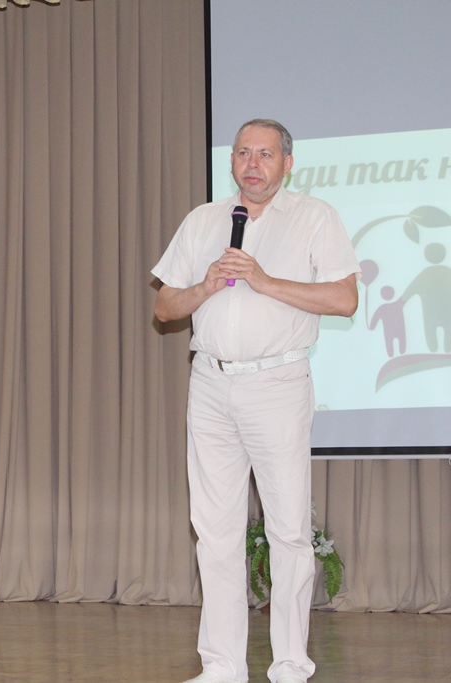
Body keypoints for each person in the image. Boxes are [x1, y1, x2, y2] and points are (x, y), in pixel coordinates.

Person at [151, 120, 360, 683]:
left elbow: (345, 299)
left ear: (286, 163)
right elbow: (165, 308)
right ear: (232, 161)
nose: (252, 164)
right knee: (214, 530)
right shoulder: (203, 219)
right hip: (210, 382)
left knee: (287, 529)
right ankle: (222, 665)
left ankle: (290, 663)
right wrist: (205, 286)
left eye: (265, 154)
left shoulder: (315, 217)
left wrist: (264, 282)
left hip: (277, 384)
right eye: (244, 152)